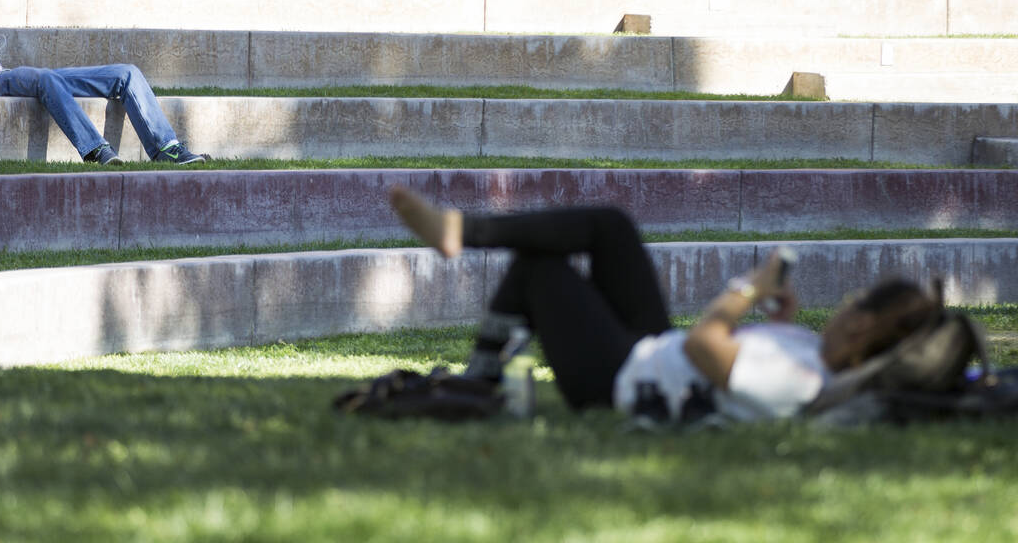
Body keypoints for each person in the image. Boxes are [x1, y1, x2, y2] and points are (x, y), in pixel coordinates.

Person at [388, 186, 941, 423]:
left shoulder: (805, 383)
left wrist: (748, 289)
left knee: (542, 271)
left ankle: (481, 381)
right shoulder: (812, 357)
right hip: (652, 349)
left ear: (864, 326)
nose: (844, 304)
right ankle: (460, 230)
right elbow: (737, 358)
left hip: (619, 382)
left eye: (855, 301)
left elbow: (707, 347)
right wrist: (781, 319)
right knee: (612, 226)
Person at [0, 36, 209, 166]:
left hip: (33, 78)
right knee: (45, 77)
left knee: (126, 73)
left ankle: (166, 149)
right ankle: (95, 150)